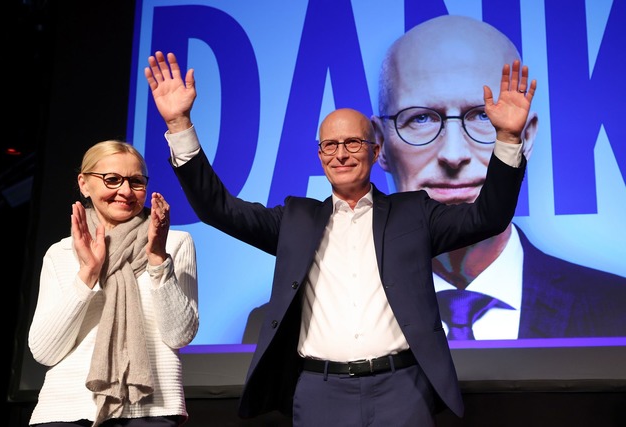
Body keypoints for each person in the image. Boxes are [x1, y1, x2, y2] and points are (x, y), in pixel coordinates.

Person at [144, 49, 535, 425]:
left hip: (401, 389)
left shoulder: (413, 214)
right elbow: (218, 209)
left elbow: (489, 216)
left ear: (376, 149)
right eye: (330, 145)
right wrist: (179, 126)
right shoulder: (296, 220)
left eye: (353, 143)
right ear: (319, 155)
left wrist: (507, 139)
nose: (341, 154)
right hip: (320, 389)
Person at [372, 14, 626, 340]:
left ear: (525, 138)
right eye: (420, 118)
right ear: (379, 145)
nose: (453, 154)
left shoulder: (617, 311)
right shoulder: (339, 313)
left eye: (482, 115)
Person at [28, 140, 199, 427]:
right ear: (84, 184)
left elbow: (179, 335)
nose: (125, 191)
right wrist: (88, 274)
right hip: (65, 408)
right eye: (112, 180)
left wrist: (158, 258)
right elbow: (45, 351)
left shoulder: (174, 243)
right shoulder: (61, 252)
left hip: (149, 409)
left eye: (136, 181)